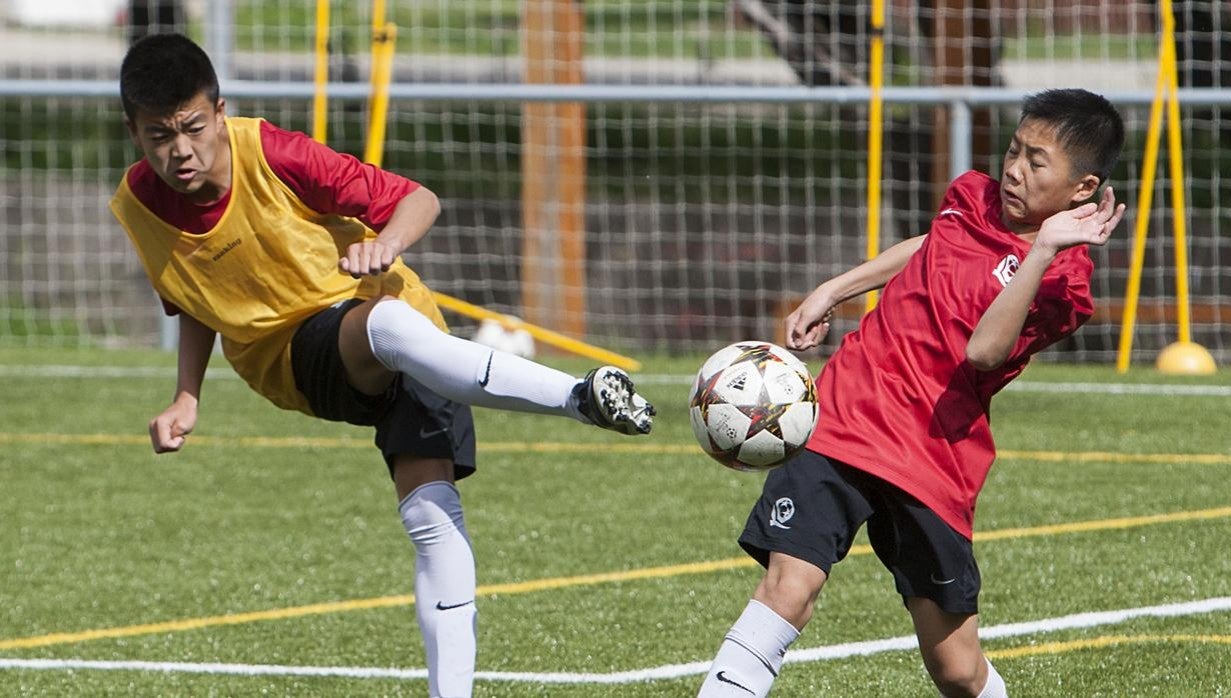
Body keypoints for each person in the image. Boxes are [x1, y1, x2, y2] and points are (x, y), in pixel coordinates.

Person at [110, 34, 654, 698]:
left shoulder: (277, 154)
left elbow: (418, 198)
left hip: (409, 336)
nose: (180, 150)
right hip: (291, 356)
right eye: (158, 136)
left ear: (220, 110)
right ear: (134, 131)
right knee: (390, 326)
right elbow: (190, 292)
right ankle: (579, 397)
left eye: (192, 127)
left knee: (431, 514)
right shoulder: (140, 203)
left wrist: (387, 245)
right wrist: (186, 395)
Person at [698, 88, 1126, 697]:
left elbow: (984, 350)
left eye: (1036, 162)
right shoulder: (971, 196)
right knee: (788, 588)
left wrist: (1044, 248)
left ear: (1082, 188)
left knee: (955, 668)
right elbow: (933, 247)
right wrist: (833, 289)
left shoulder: (1064, 282)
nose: (1013, 170)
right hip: (845, 415)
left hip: (932, 455)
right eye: (1013, 150)